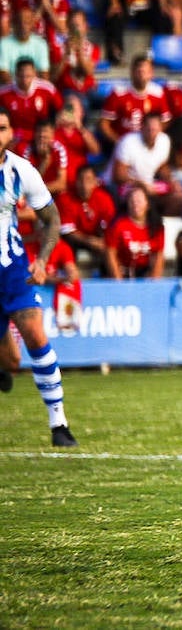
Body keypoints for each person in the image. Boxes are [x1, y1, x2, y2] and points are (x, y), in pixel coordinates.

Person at [0, 106, 74, 445]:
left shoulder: (21, 170)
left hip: (12, 268)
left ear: (10, 133)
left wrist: (42, 261)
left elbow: (52, 219)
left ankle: (59, 425)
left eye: (1, 128)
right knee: (11, 361)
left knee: (35, 335)